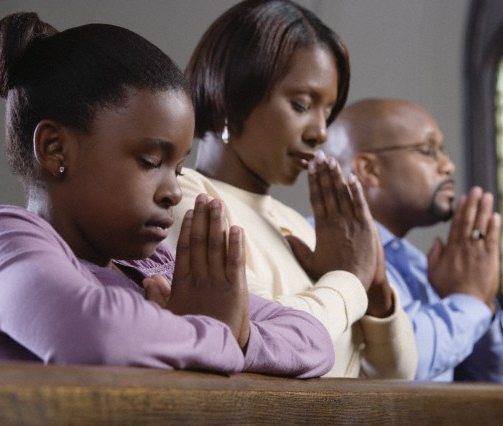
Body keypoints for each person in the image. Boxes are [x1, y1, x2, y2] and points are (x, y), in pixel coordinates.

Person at [0, 12, 335, 378]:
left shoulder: (160, 268)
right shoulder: (6, 241)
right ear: (55, 149)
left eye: (179, 169)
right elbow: (96, 333)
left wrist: (238, 336)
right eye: (151, 161)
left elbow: (314, 341)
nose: (172, 191)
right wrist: (214, 332)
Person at [166, 0, 417, 379]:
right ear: (232, 95)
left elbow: (396, 376)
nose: (321, 133)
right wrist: (350, 278)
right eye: (302, 105)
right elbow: (266, 344)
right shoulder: (186, 199)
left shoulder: (295, 226)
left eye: (327, 112)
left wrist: (377, 289)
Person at [324, 98, 503, 382]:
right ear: (370, 170)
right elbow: (406, 367)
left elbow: (496, 372)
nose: (448, 166)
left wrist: (479, 299)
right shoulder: (328, 250)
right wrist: (469, 299)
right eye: (428, 151)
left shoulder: (419, 263)